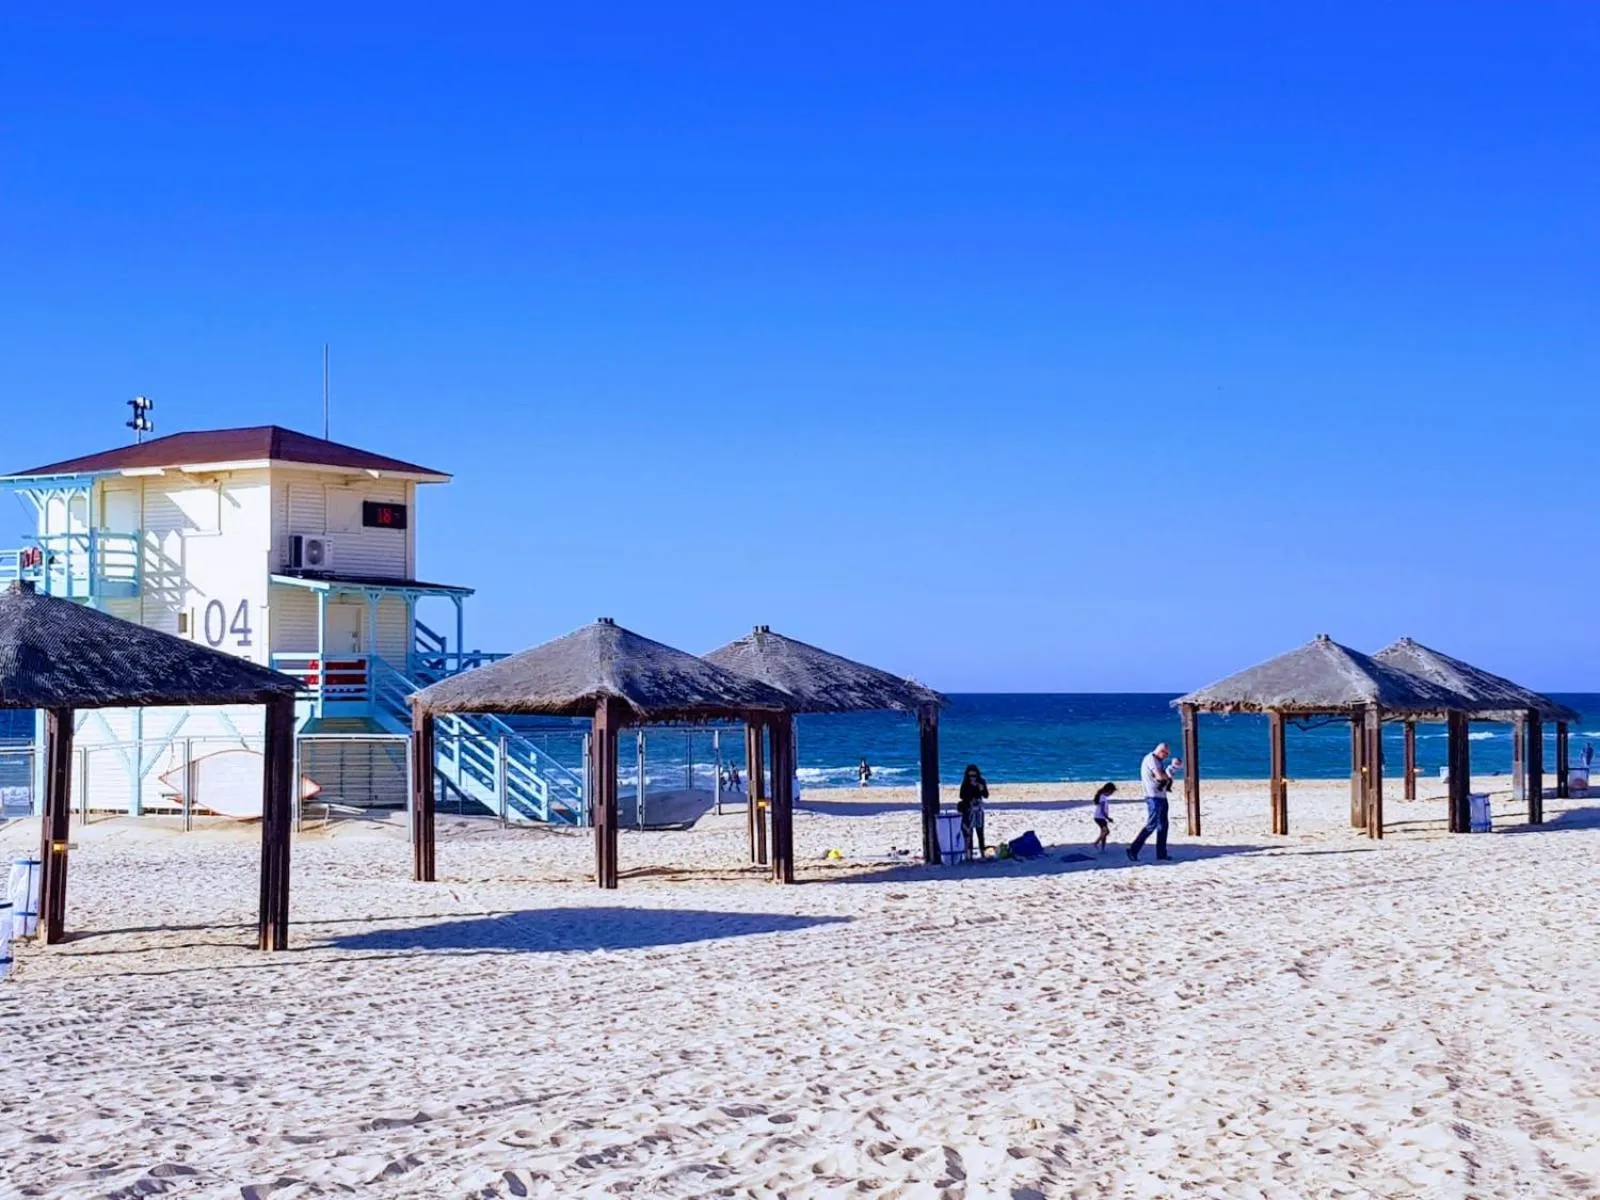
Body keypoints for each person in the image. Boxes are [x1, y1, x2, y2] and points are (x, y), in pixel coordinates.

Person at [1127, 743, 1181, 863]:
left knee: (1163, 826)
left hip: (1161, 796)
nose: (1166, 757)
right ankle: (1133, 850)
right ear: (1161, 751)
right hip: (1153, 797)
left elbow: (1164, 777)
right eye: (1166, 754)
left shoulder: (1157, 761)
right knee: (1151, 825)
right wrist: (1168, 776)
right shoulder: (1151, 759)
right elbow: (1160, 777)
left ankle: (1161, 854)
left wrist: (1172, 769)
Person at [958, 763, 989, 858]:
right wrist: (970, 789)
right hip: (969, 809)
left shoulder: (981, 782)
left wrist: (981, 789)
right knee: (969, 832)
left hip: (978, 809)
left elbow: (986, 795)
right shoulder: (965, 783)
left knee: (980, 831)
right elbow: (961, 795)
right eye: (970, 776)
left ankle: (982, 853)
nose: (972, 778)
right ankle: (969, 853)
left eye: (974, 775)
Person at [1090, 781, 1117, 853]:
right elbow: (1102, 809)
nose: (1111, 794)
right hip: (1099, 817)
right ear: (1108, 790)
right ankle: (1096, 843)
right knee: (1106, 831)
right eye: (1111, 792)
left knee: (1103, 832)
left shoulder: (1103, 797)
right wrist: (1108, 817)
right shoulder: (1102, 797)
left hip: (1101, 817)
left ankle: (1102, 848)